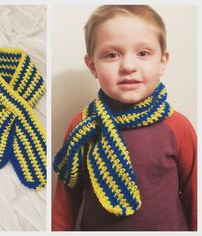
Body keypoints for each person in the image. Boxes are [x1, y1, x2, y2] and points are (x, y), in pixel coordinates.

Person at [52, 5, 197, 231]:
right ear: (92, 66)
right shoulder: (83, 127)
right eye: (112, 55)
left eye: (143, 53)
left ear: (162, 62)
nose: (128, 66)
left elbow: (195, 195)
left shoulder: (178, 126)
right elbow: (66, 200)